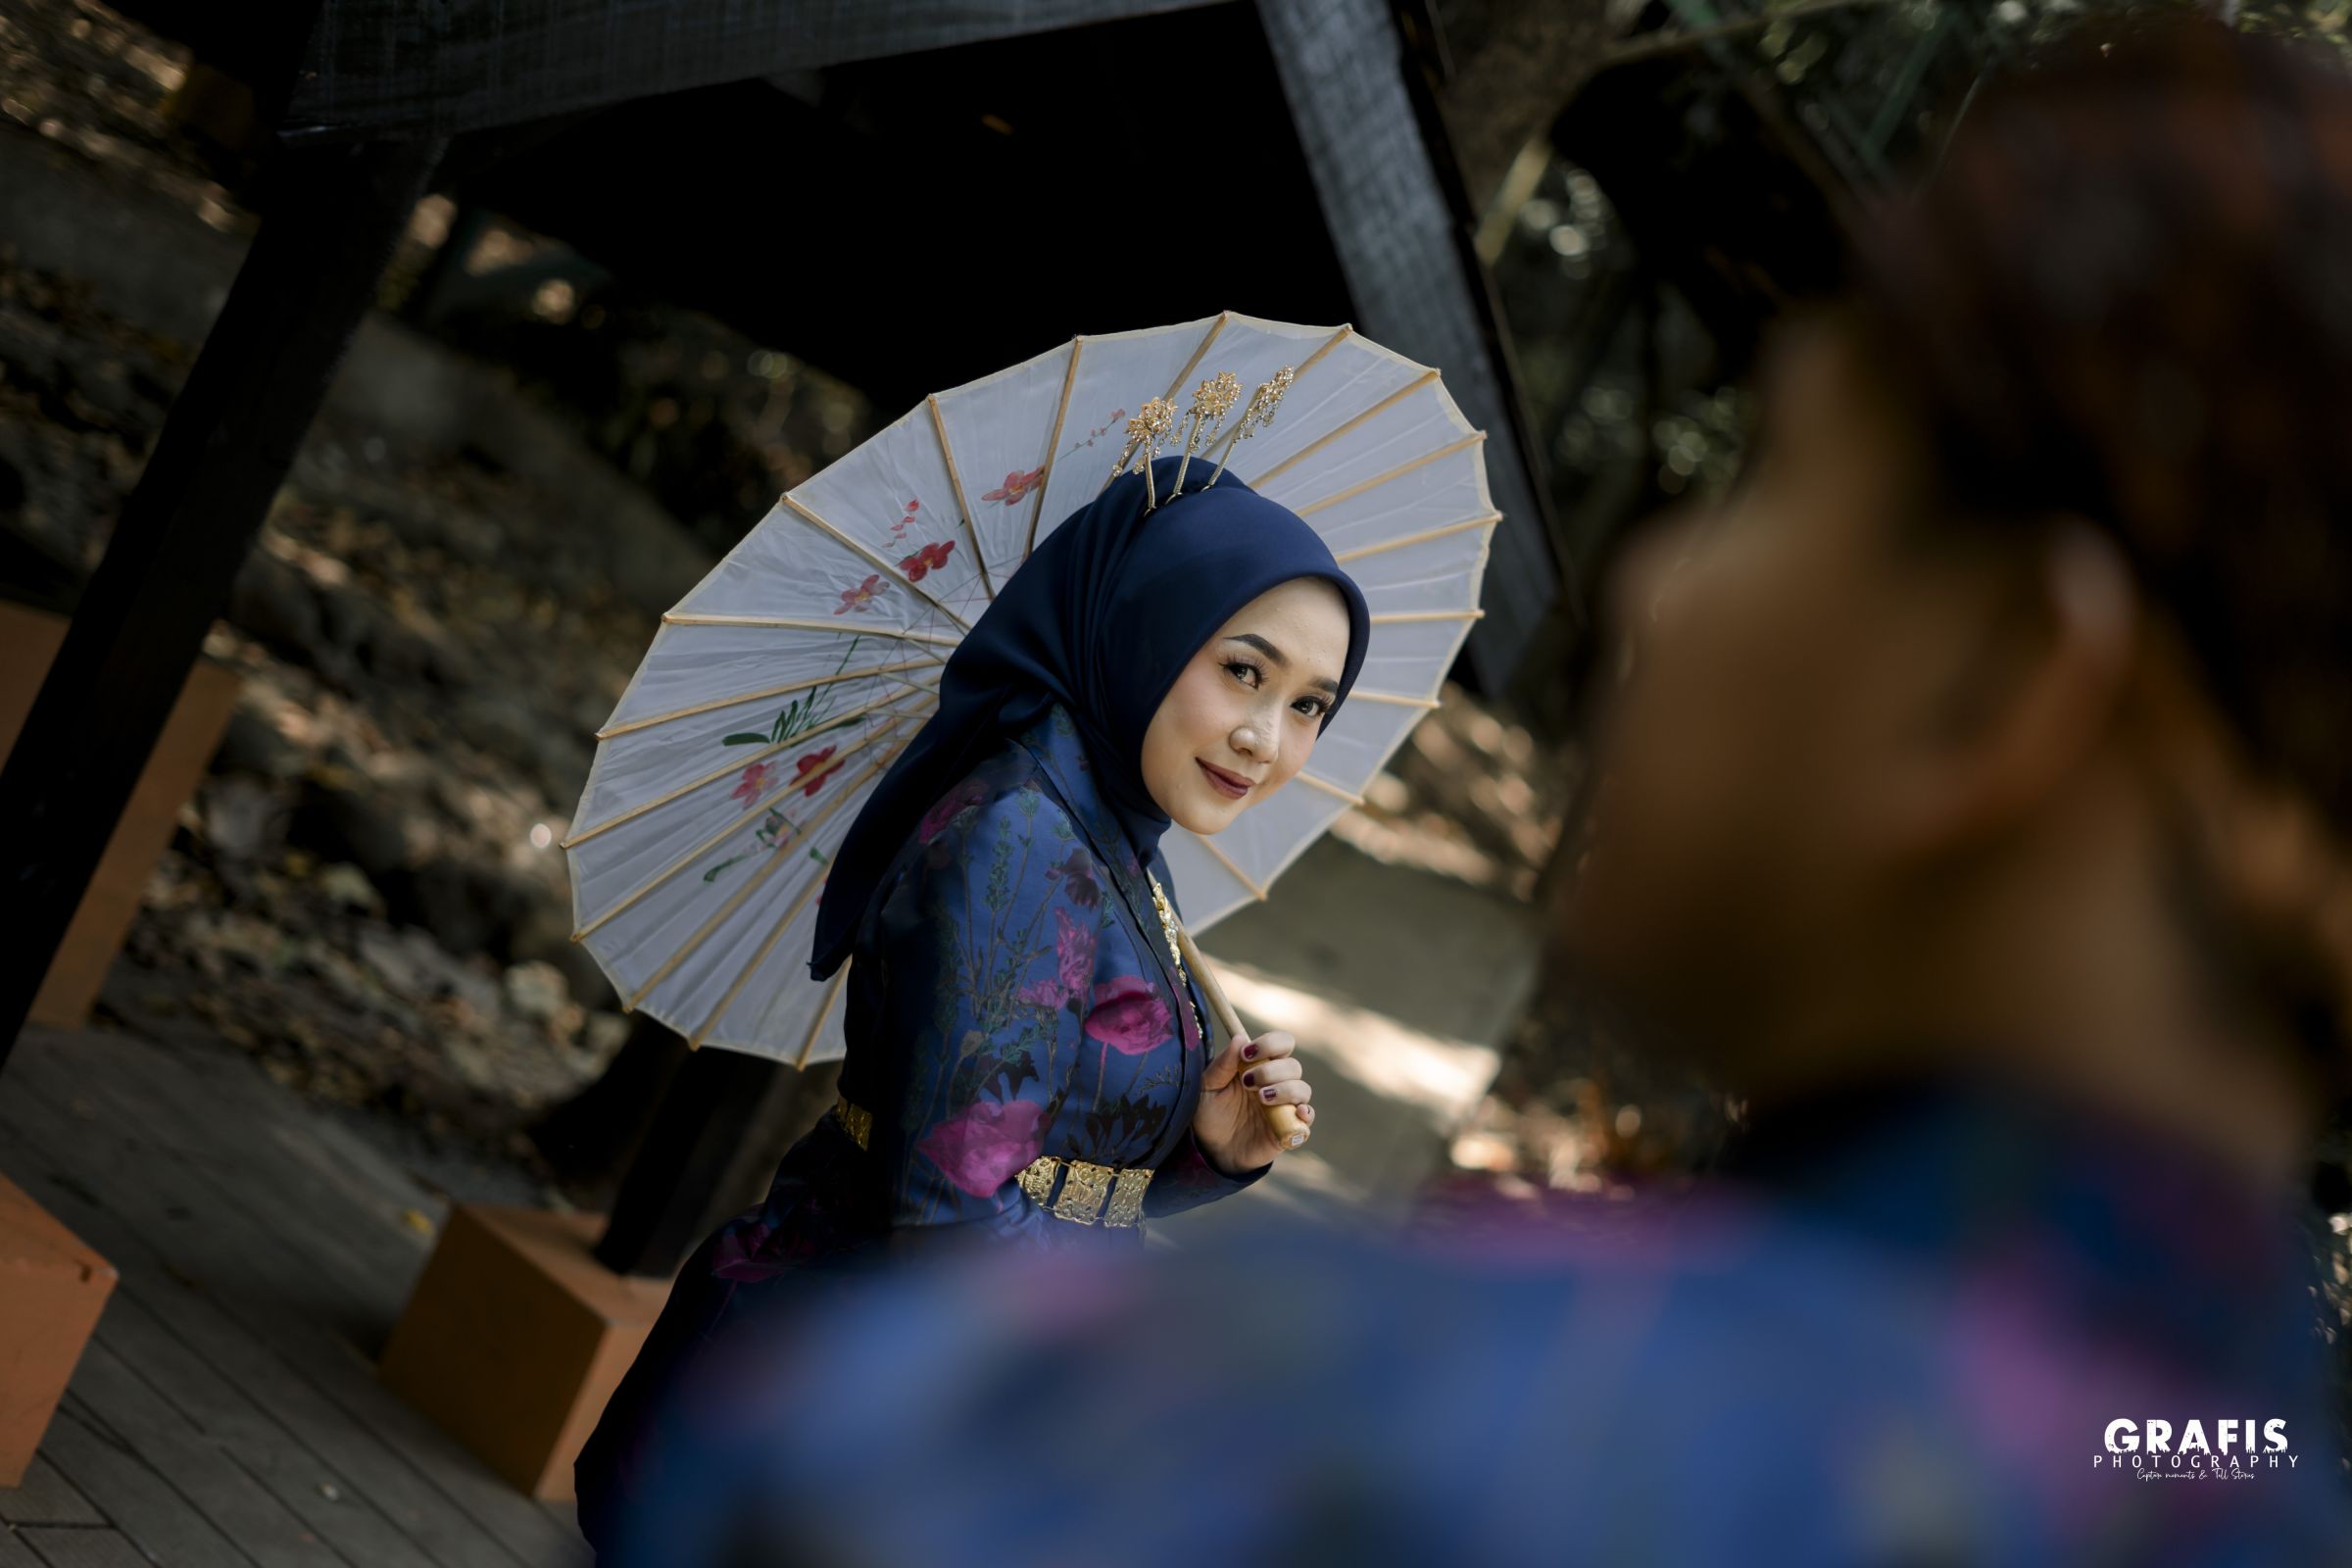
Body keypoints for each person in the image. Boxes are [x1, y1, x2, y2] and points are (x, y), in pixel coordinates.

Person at [579, 18, 2352, 1566]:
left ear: (2001, 687)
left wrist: (1175, 1212)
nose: (1657, 589)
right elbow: (952, 1204)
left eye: (1782, 482)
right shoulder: (2248, 1478)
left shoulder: (1372, 1428)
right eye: (1245, 673)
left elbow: (838, 1457)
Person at [572, 452, 1371, 1554]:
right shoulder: (1019, 839)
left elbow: (1059, 1174)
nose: (1265, 737)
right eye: (1243, 671)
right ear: (1145, 627)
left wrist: (1211, 1146)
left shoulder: (1117, 835)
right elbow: (950, 1215)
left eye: (1308, 704)